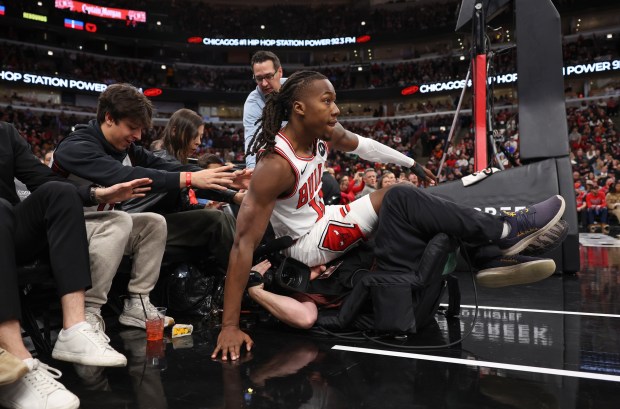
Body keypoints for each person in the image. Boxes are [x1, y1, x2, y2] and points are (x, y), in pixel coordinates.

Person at [211, 71, 565, 360]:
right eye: (327, 101)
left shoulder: (321, 133)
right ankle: (503, 230)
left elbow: (364, 146)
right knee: (398, 199)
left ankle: (487, 257)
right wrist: (229, 325)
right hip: (307, 245)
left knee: (411, 206)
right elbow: (243, 245)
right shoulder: (274, 164)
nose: (336, 109)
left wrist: (410, 162)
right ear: (300, 108)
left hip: (325, 218)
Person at [0, 121, 153, 408]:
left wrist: (97, 194)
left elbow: (42, 179)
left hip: (9, 231)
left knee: (60, 191)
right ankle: (16, 361)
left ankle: (74, 326)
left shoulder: (5, 132)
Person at [52, 85, 251, 275]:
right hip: (77, 229)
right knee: (202, 222)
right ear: (109, 118)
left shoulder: (124, 148)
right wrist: (192, 178)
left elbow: (170, 168)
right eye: (132, 127)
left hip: (113, 223)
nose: (138, 136)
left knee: (158, 222)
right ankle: (248, 284)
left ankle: (140, 301)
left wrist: (228, 182)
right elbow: (125, 176)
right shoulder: (76, 146)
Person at [243, 51, 285, 169]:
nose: (264, 83)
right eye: (259, 78)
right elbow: (252, 138)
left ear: (280, 72)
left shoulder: (298, 88)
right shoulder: (253, 103)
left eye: (269, 76)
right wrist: (252, 171)